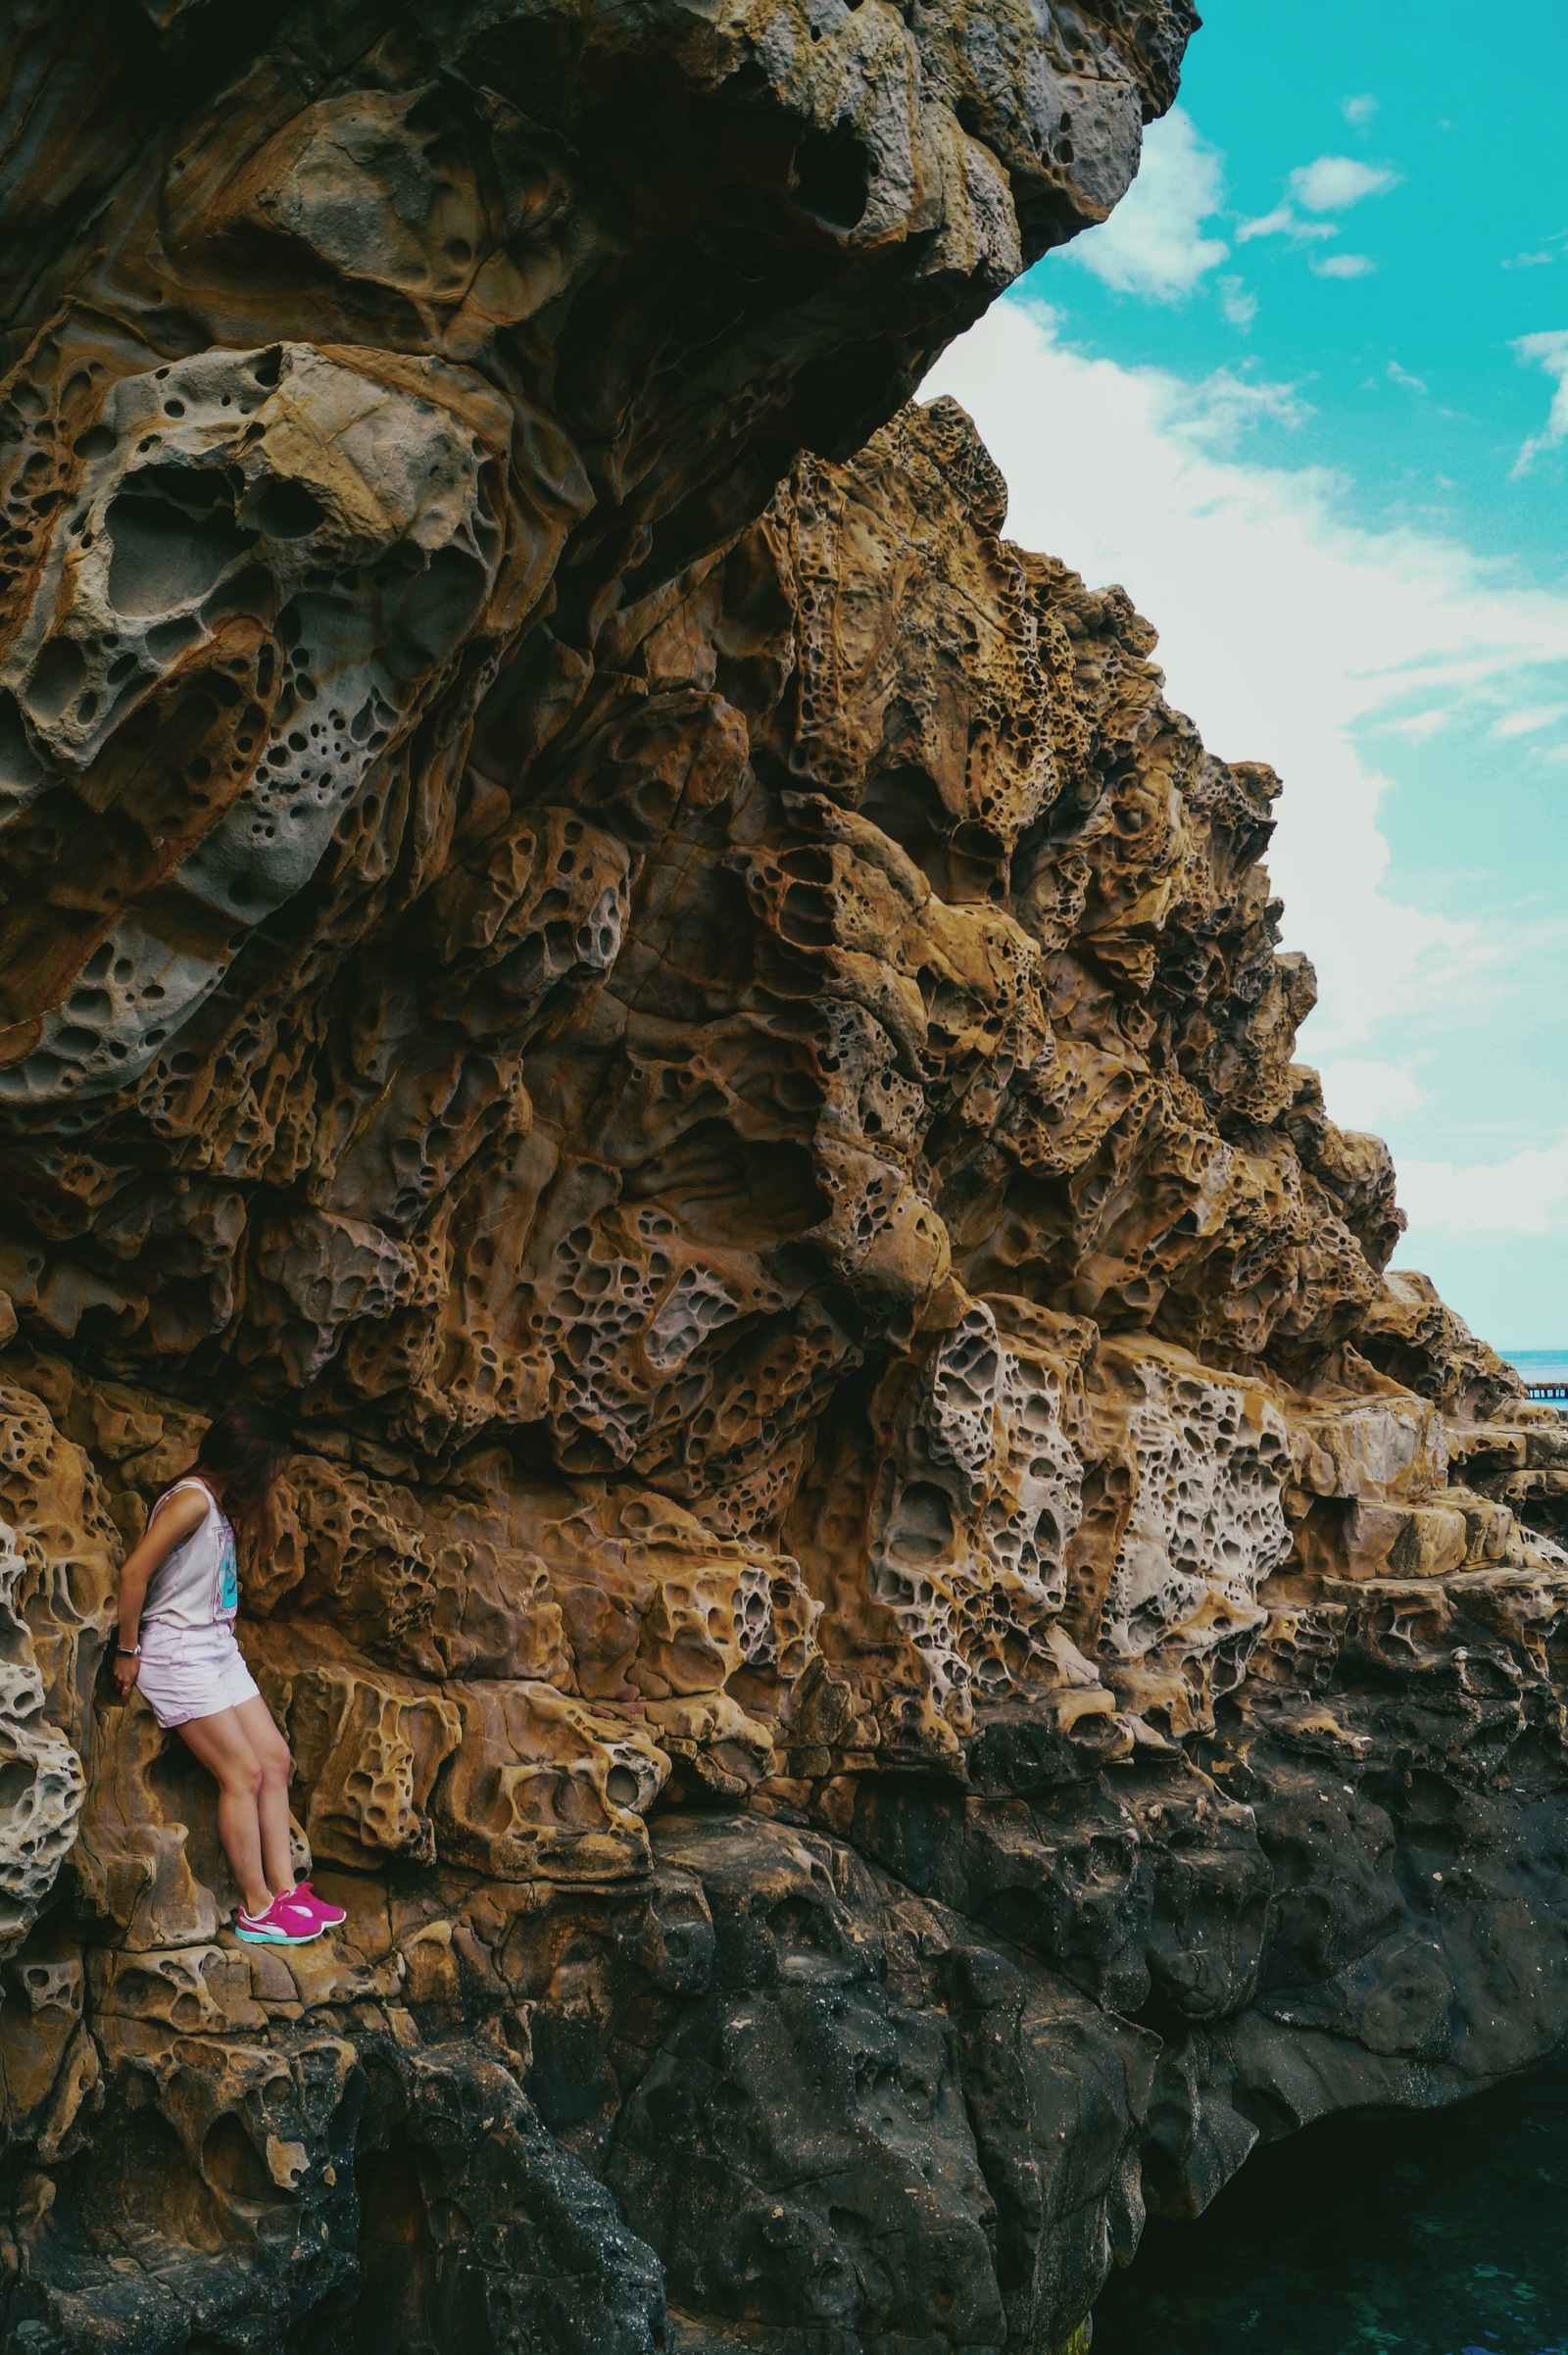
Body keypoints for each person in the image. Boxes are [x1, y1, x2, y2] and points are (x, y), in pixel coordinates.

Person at [110, 1399, 346, 1947]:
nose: (275, 1483)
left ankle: (285, 1892)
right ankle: (256, 1906)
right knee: (241, 1773)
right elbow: (133, 1572)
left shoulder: (212, 1504)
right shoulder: (191, 1501)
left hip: (217, 1648)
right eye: (274, 1471)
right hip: (178, 1653)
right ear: (252, 1465)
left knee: (275, 1760)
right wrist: (127, 1650)